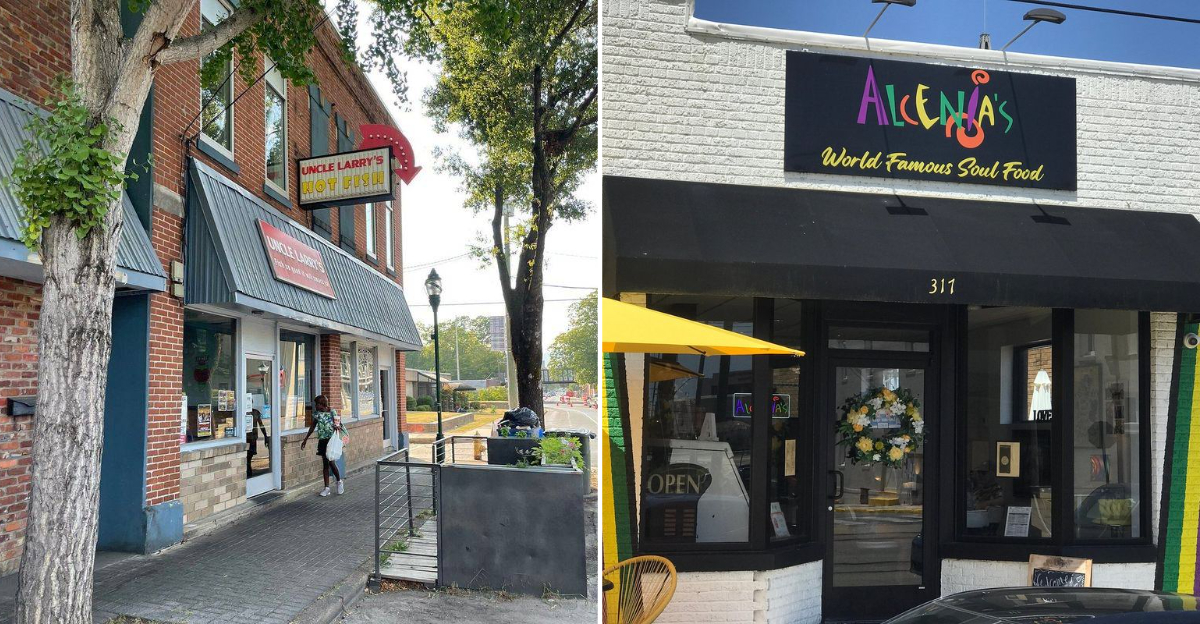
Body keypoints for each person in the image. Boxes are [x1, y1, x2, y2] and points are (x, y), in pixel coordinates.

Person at [301, 394, 344, 496]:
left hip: (331, 441)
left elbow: (339, 425)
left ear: (322, 404)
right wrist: (305, 439)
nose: (315, 406)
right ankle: (326, 488)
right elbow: (312, 427)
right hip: (322, 441)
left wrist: (337, 427)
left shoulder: (332, 412)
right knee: (325, 464)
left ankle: (339, 481)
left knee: (331, 462)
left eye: (317, 404)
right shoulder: (317, 414)